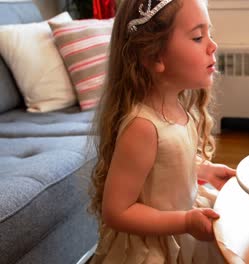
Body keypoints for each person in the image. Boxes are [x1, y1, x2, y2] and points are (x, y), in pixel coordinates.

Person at [88, 0, 236, 262]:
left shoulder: (179, 108)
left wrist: (205, 171)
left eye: (209, 34)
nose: (213, 46)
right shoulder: (143, 128)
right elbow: (117, 211)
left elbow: (166, 169)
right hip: (153, 246)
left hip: (183, 223)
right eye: (198, 37)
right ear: (155, 56)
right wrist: (184, 222)